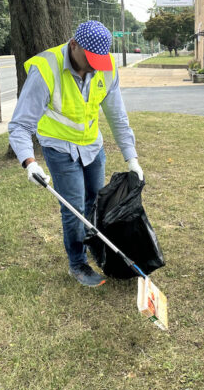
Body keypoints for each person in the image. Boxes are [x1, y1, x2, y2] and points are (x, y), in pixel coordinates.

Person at [8, 20, 143, 287]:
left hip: (92, 145)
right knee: (74, 208)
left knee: (95, 201)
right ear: (73, 45)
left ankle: (94, 244)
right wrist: (29, 163)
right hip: (59, 147)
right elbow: (20, 125)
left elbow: (118, 117)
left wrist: (132, 158)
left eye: (99, 60)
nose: (95, 66)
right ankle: (78, 263)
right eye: (90, 59)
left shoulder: (106, 68)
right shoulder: (46, 69)